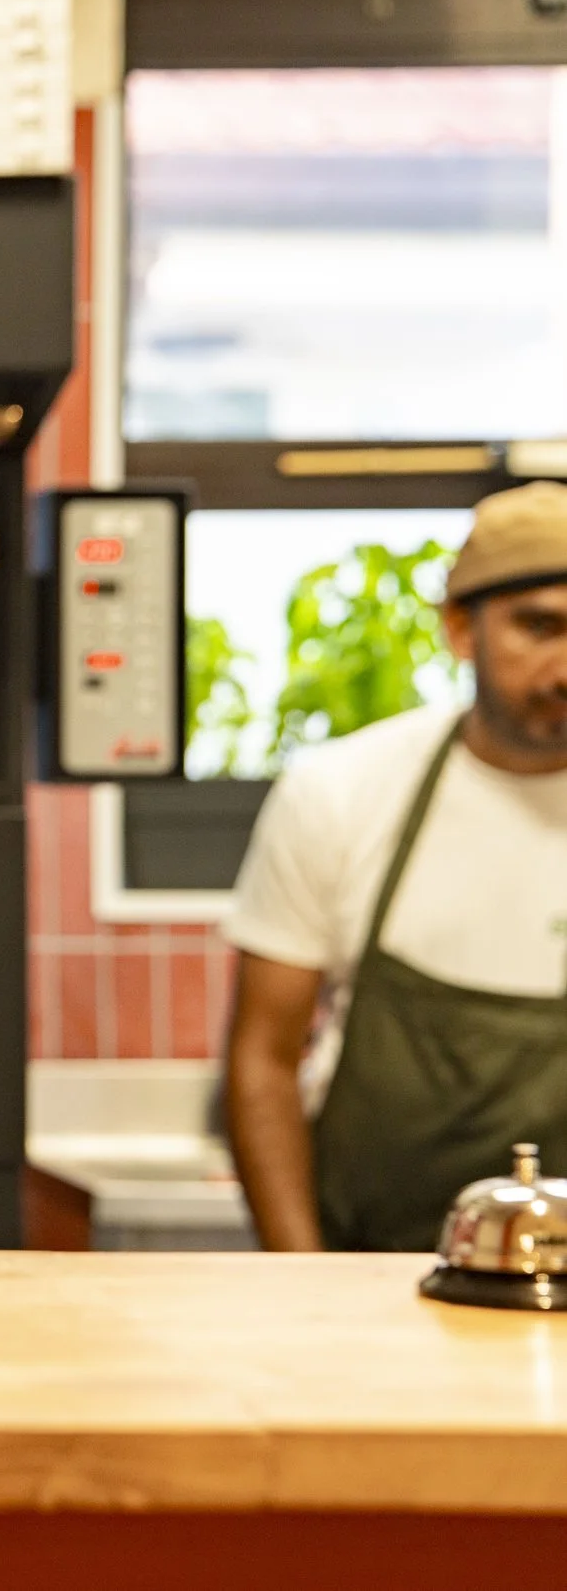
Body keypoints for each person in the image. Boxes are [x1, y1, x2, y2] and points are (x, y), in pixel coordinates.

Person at [224, 480, 567, 1251]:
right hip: (366, 1285)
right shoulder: (342, 793)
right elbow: (262, 1062)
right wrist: (303, 1281)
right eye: (539, 626)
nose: (564, 667)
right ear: (460, 629)